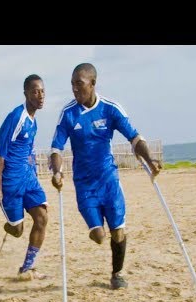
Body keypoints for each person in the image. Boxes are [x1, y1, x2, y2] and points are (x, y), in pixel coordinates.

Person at [50, 63, 162, 290]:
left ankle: (117, 273)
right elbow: (56, 149)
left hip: (109, 181)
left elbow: (134, 138)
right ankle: (99, 235)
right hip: (85, 185)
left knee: (118, 231)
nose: (74, 89)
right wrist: (57, 172)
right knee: (100, 236)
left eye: (79, 84)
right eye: (72, 84)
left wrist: (150, 160)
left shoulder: (111, 109)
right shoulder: (68, 114)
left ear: (92, 83)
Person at [0, 74, 48, 281]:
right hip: (10, 182)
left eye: (42, 91)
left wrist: (33, 170)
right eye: (35, 91)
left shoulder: (34, 122)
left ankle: (27, 267)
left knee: (42, 218)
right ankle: (10, 225)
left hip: (28, 178)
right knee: (17, 230)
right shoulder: (16, 117)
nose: (40, 95)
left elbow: (29, 150)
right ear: (26, 93)